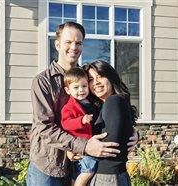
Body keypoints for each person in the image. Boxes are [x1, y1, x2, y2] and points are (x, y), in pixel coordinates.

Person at [27, 22, 138, 186]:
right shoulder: (43, 81)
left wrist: (130, 131)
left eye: (78, 43)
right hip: (48, 165)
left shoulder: (87, 78)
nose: (74, 47)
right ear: (57, 44)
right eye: (68, 42)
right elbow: (44, 126)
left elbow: (104, 114)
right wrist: (84, 146)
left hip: (80, 165)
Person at [83, 60, 137, 186]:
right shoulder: (106, 104)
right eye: (91, 79)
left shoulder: (113, 101)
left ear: (111, 77)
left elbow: (110, 144)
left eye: (100, 76)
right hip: (112, 175)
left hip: (107, 178)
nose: (95, 82)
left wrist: (82, 149)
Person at [61, 67, 99, 186]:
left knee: (78, 172)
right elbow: (65, 124)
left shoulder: (90, 102)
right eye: (76, 87)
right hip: (82, 145)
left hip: (86, 144)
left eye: (84, 86)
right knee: (88, 170)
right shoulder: (69, 107)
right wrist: (81, 120)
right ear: (68, 90)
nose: (81, 90)